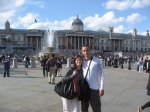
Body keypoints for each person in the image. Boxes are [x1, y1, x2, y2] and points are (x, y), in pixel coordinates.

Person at [81, 45, 104, 112]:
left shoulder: (97, 61)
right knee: (84, 109)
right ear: (82, 52)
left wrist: (102, 87)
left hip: (94, 89)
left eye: (87, 50)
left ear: (90, 50)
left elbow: (102, 75)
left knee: (96, 109)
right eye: (84, 51)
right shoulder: (81, 61)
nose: (86, 52)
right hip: (84, 89)